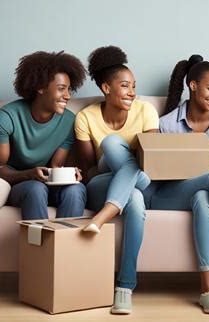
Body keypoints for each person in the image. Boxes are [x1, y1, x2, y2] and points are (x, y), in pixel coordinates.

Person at [155, 55, 209, 314]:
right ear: (193, 86)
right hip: (179, 188)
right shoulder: (167, 124)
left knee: (206, 198)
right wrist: (191, 153)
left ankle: (207, 289)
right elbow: (162, 175)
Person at [74, 45, 159, 315]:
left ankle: (124, 287)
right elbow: (89, 171)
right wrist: (123, 165)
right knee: (112, 144)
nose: (132, 92)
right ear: (106, 88)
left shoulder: (146, 111)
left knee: (134, 196)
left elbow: (153, 161)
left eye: (134, 85)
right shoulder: (85, 117)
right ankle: (107, 212)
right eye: (124, 85)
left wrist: (129, 170)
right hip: (103, 182)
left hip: (142, 184)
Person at [0, 51, 87, 220]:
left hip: (48, 186)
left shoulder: (69, 121)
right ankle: (39, 247)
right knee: (35, 188)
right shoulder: (7, 117)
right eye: (61, 89)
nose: (68, 96)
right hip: (23, 187)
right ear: (40, 87)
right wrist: (28, 174)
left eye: (69, 89)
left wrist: (71, 174)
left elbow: (56, 166)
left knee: (76, 189)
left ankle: (67, 246)